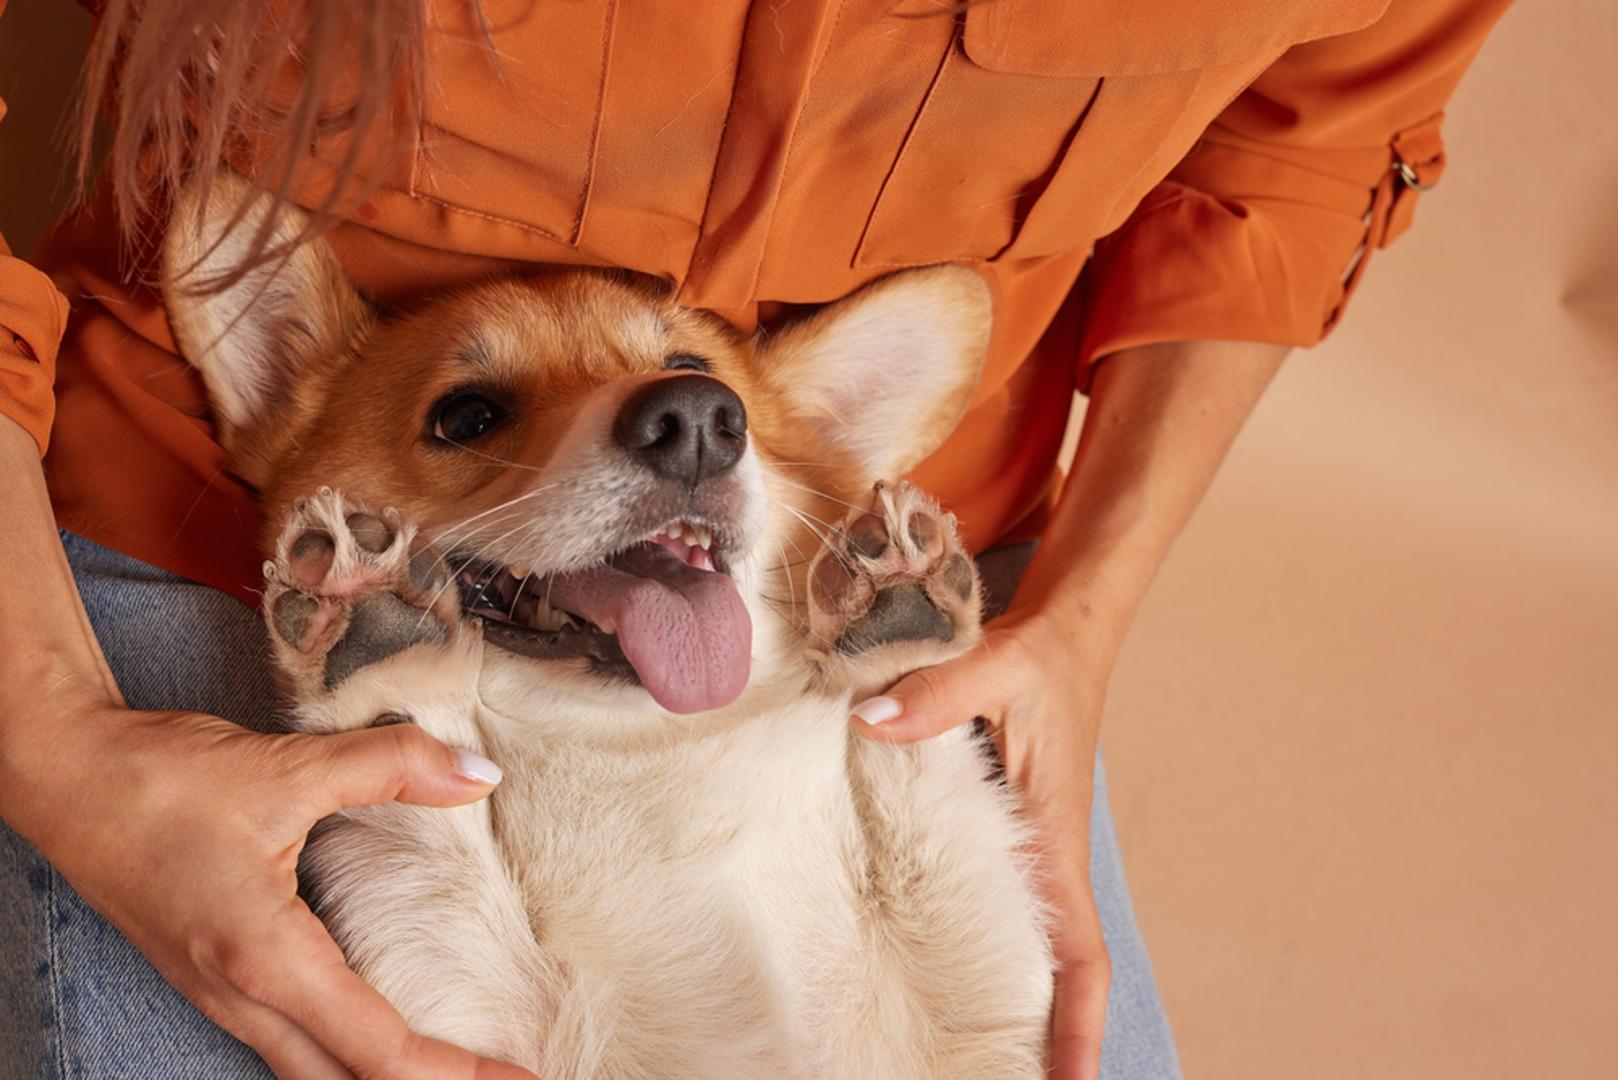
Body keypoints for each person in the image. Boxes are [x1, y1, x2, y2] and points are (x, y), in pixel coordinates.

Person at [0, 1, 1512, 1077]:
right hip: (197, 545)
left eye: (690, 405)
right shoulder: (307, 415)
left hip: (822, 595)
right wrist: (50, 733)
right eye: (473, 416)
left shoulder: (792, 479)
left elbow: (1308, 147)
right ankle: (397, 684)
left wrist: (1082, 615)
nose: (671, 427)